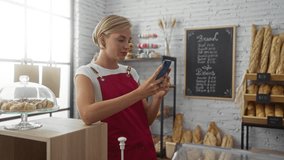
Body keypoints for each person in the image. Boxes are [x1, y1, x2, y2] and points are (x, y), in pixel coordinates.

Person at [74, 15, 171, 160]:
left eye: (129, 40)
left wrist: (157, 97)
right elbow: (87, 115)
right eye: (121, 39)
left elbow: (146, 120)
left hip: (145, 151)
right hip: (116, 153)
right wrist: (139, 93)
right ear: (102, 40)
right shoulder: (86, 73)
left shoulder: (131, 73)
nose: (127, 46)